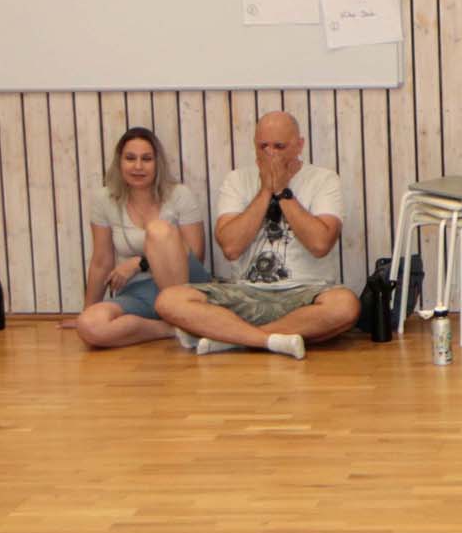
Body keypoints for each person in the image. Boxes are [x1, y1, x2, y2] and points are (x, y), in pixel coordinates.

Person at [153, 111, 359, 359]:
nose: (271, 154)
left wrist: (282, 191)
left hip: (306, 292)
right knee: (169, 300)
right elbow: (230, 248)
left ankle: (230, 338)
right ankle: (267, 340)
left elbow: (320, 244)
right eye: (263, 146)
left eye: (279, 146)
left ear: (299, 145)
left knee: (345, 306)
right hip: (245, 292)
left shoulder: (324, 179)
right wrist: (264, 192)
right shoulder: (237, 180)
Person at [73, 127, 213, 348]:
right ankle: (175, 329)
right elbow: (101, 261)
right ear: (119, 162)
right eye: (130, 158)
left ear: (157, 163)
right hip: (138, 292)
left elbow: (196, 254)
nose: (138, 166)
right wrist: (87, 310)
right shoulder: (104, 200)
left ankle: (183, 314)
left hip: (186, 286)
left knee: (158, 230)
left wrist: (139, 263)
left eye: (146, 159)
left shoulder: (180, 195)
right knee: (89, 325)